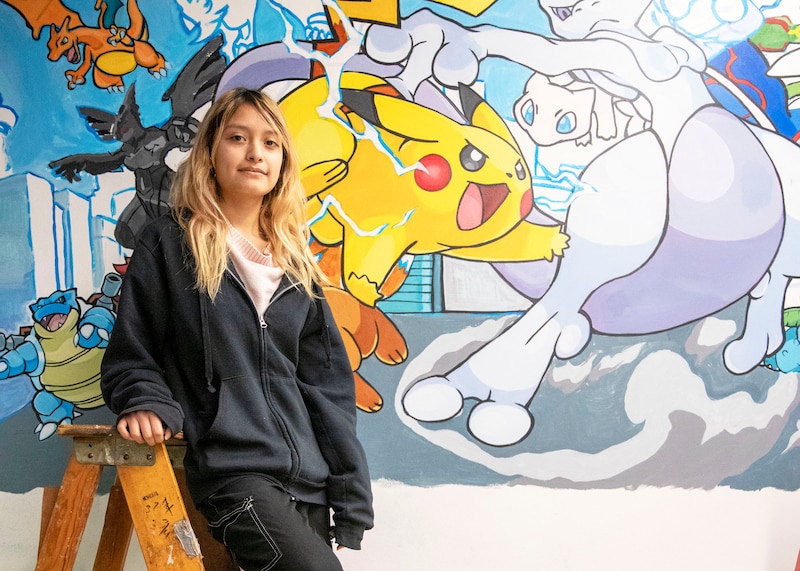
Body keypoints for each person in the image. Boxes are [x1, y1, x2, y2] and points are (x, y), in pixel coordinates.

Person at [101, 87, 374, 571]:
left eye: (270, 143)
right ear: (209, 153)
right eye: (238, 138)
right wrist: (145, 401)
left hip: (307, 477)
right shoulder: (170, 243)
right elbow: (133, 348)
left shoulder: (298, 269)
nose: (255, 153)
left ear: (283, 162)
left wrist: (349, 494)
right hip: (234, 471)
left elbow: (329, 391)